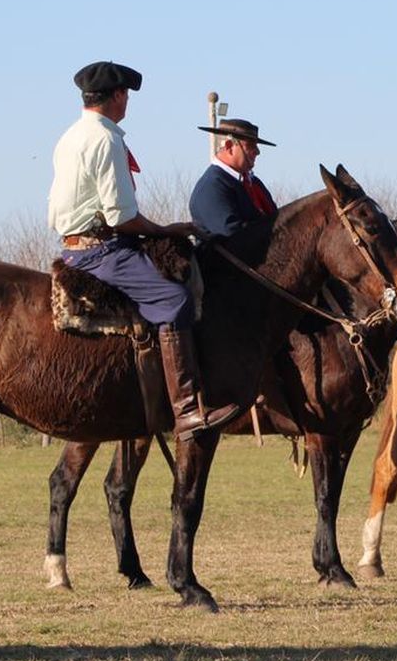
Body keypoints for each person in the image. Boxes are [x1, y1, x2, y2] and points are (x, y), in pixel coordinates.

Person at [47, 61, 240, 441]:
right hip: (101, 250)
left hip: (75, 243)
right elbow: (121, 216)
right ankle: (186, 410)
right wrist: (164, 230)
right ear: (117, 96)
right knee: (174, 297)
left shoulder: (70, 136)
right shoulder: (106, 139)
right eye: (127, 96)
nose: (127, 103)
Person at [189, 118, 278, 237]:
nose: (257, 151)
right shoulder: (211, 187)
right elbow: (233, 236)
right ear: (229, 146)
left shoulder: (254, 183)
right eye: (250, 145)